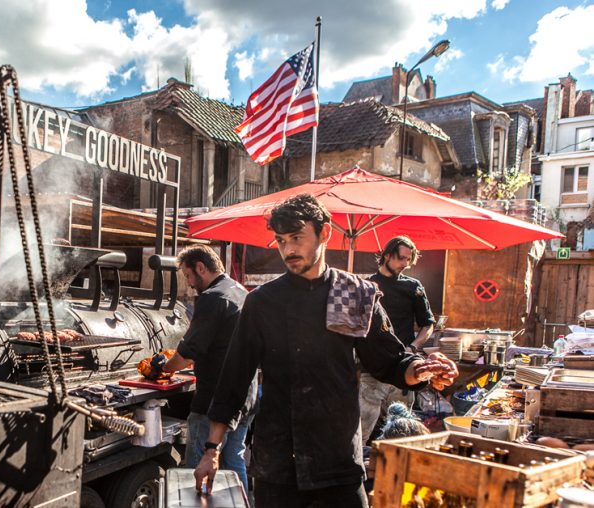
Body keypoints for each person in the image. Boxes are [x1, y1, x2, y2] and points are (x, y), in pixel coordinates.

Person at [193, 194, 457, 507]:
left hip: (338, 462)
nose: (288, 249)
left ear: (325, 233)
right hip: (278, 464)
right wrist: (212, 449)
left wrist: (421, 370)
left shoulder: (356, 294)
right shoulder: (262, 302)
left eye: (296, 238)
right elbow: (234, 378)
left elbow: (390, 362)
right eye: (280, 240)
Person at [146, 245, 257, 491]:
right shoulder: (240, 290)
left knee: (198, 466)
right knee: (232, 459)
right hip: (246, 395)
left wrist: (164, 369)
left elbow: (187, 354)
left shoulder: (212, 297)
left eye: (187, 276)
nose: (189, 283)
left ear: (200, 268)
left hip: (214, 401)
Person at [359, 236, 436, 442]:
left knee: (399, 434)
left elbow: (428, 324)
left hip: (403, 367)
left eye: (408, 260)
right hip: (371, 369)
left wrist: (413, 346)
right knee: (361, 432)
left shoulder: (413, 287)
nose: (405, 264)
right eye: (401, 258)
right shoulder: (367, 286)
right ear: (386, 255)